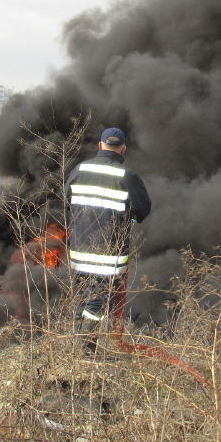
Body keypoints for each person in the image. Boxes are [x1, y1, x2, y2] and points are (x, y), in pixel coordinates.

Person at [65, 127, 151, 332]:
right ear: (123, 149)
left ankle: (75, 345)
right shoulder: (126, 177)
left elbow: (68, 201)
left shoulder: (79, 170)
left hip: (79, 251)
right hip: (108, 255)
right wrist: (128, 218)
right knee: (98, 303)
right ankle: (85, 346)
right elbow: (143, 210)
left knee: (83, 297)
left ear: (100, 146)